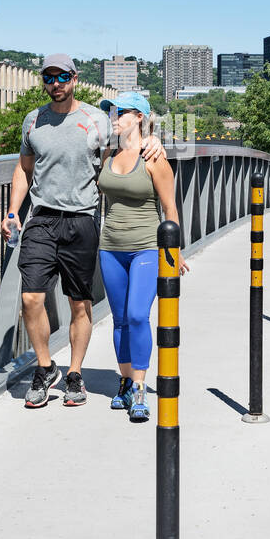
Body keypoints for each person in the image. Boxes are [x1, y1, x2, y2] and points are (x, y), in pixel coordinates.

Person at [1, 54, 163, 408]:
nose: (55, 84)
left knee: (79, 303)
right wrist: (13, 211)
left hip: (82, 220)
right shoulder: (33, 121)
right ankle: (46, 368)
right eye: (48, 78)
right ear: (42, 81)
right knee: (31, 298)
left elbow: (129, 144)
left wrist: (155, 141)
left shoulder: (96, 120)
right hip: (41, 218)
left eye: (62, 78)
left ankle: (74, 374)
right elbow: (23, 170)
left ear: (74, 79)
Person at [97, 92, 187, 422]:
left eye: (120, 112)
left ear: (139, 117)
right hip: (110, 247)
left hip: (148, 246)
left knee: (137, 315)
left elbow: (170, 208)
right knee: (119, 319)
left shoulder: (153, 158)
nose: (114, 117)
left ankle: (139, 387)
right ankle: (124, 381)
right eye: (112, 112)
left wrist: (174, 251)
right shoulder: (108, 151)